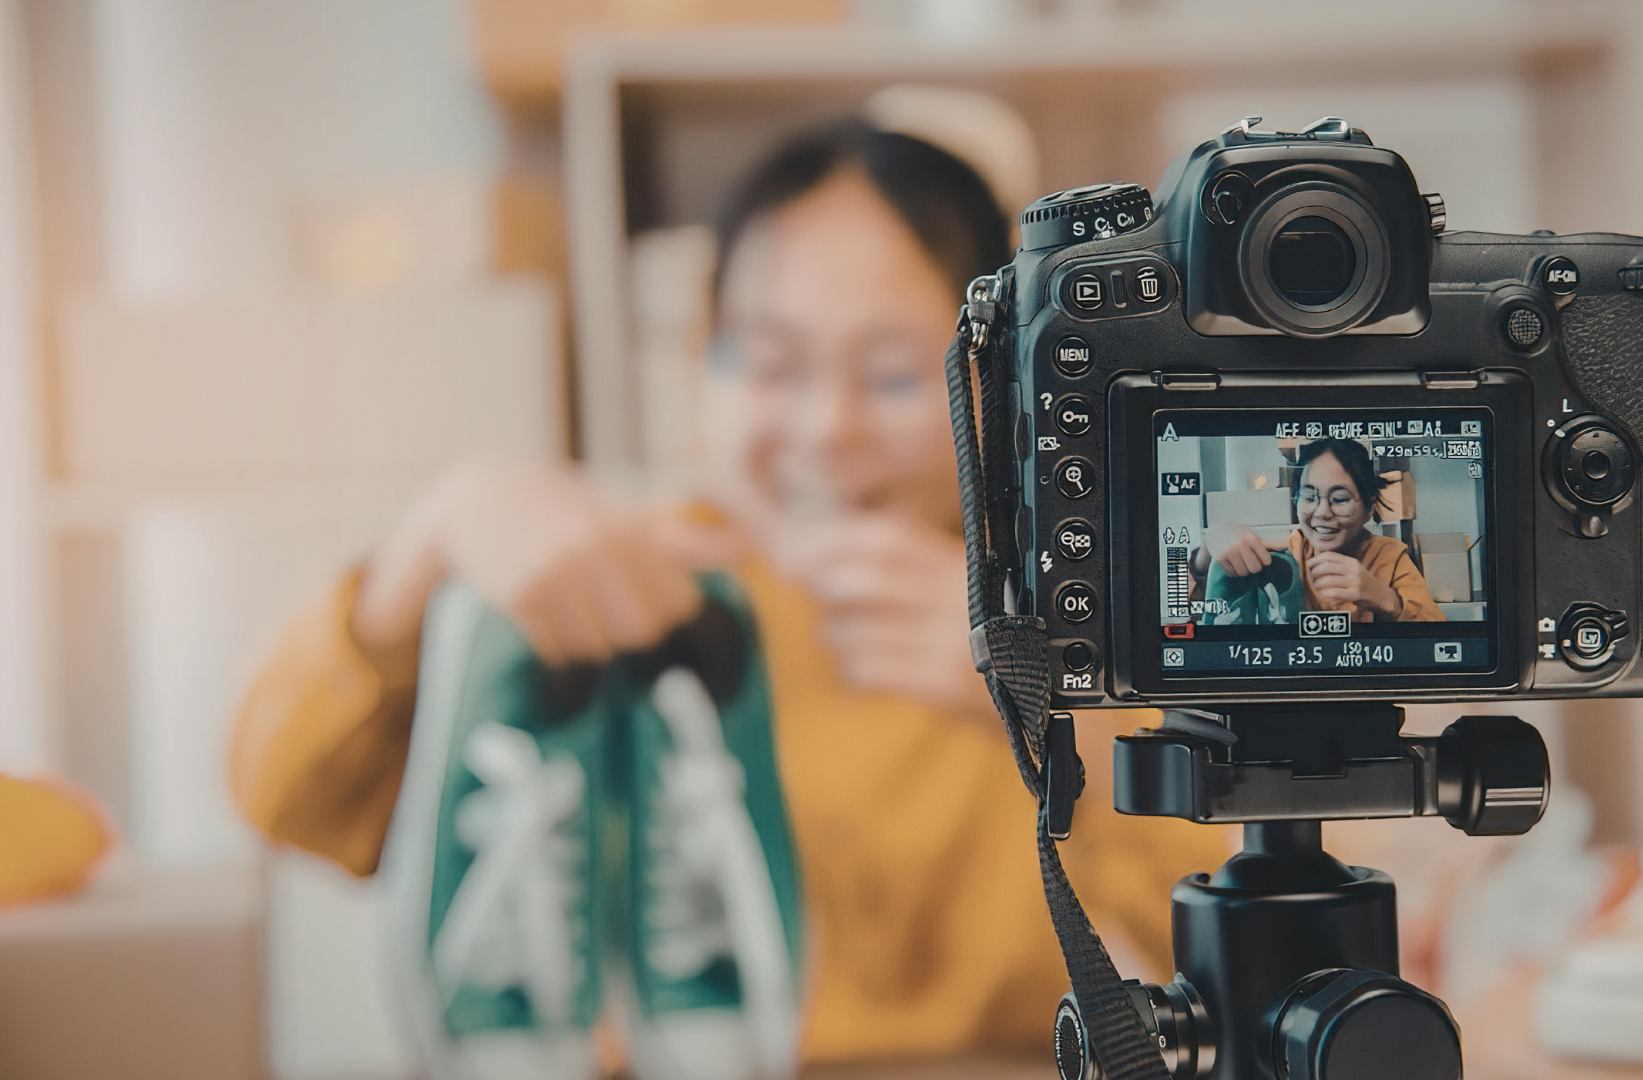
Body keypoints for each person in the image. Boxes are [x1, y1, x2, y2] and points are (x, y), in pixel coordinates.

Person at [227, 113, 1224, 1062]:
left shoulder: (1074, 622)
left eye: (889, 375)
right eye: (769, 361)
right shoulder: (620, 581)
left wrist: (1053, 721)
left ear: (999, 388)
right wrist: (434, 537)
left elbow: (1251, 929)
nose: (824, 428)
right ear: (702, 363)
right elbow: (289, 801)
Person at [1197, 438, 1445, 623]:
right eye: (1309, 496)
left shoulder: (1389, 557)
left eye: (1340, 499)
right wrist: (1211, 543)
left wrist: (1387, 600)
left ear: (1370, 507)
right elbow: (1198, 590)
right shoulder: (1284, 555)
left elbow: (1441, 639)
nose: (1322, 512)